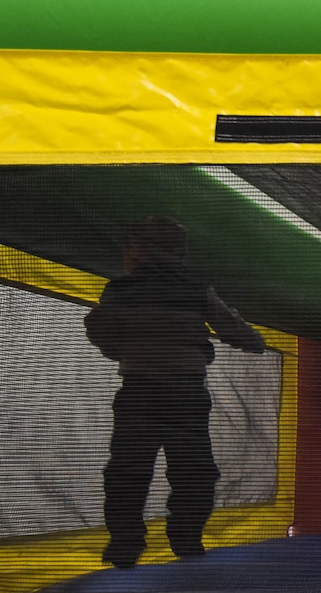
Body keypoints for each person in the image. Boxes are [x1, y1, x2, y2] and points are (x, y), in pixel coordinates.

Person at [84, 215, 267, 567]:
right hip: (185, 390)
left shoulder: (120, 290)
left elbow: (105, 334)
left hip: (140, 390)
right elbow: (230, 324)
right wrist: (255, 341)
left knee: (128, 469)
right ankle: (185, 538)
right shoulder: (194, 286)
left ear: (138, 250)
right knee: (193, 469)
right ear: (180, 253)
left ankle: (125, 544)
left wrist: (118, 348)